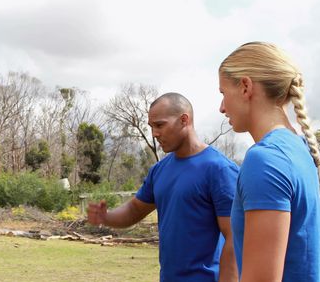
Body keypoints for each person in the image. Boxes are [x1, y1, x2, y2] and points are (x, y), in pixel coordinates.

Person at [218, 41, 320, 281]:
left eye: (223, 94)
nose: (222, 107)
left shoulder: (266, 161)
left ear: (245, 87)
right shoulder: (309, 154)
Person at [87, 92, 240, 282]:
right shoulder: (159, 170)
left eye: (160, 125)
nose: (154, 134)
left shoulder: (219, 169)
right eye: (151, 127)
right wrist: (106, 217)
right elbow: (135, 209)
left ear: (184, 120)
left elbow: (236, 238)